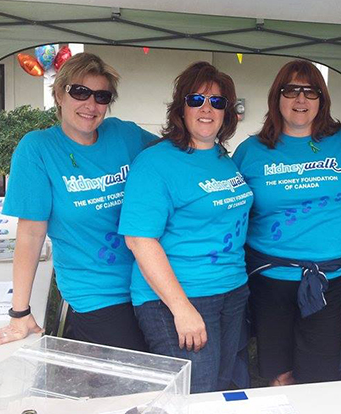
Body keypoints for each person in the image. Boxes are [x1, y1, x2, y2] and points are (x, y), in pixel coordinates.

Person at [0, 53, 157, 351]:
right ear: (59, 94)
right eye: (80, 92)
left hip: (152, 281)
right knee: (139, 384)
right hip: (97, 295)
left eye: (101, 96)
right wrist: (20, 312)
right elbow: (31, 233)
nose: (91, 105)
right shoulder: (38, 149)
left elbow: (176, 154)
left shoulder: (124, 134)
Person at [118, 61, 253, 393]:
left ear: (227, 113)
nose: (207, 109)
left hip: (231, 291)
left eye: (217, 102)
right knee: (194, 395)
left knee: (220, 388)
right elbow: (140, 241)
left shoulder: (223, 158)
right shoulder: (155, 163)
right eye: (196, 100)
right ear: (181, 108)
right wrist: (182, 308)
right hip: (180, 298)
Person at [233, 59, 341, 385]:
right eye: (291, 90)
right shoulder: (251, 151)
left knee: (319, 376)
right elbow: (229, 211)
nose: (301, 100)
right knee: (279, 376)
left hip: (327, 282)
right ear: (277, 97)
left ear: (322, 100)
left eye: (311, 91)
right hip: (269, 280)